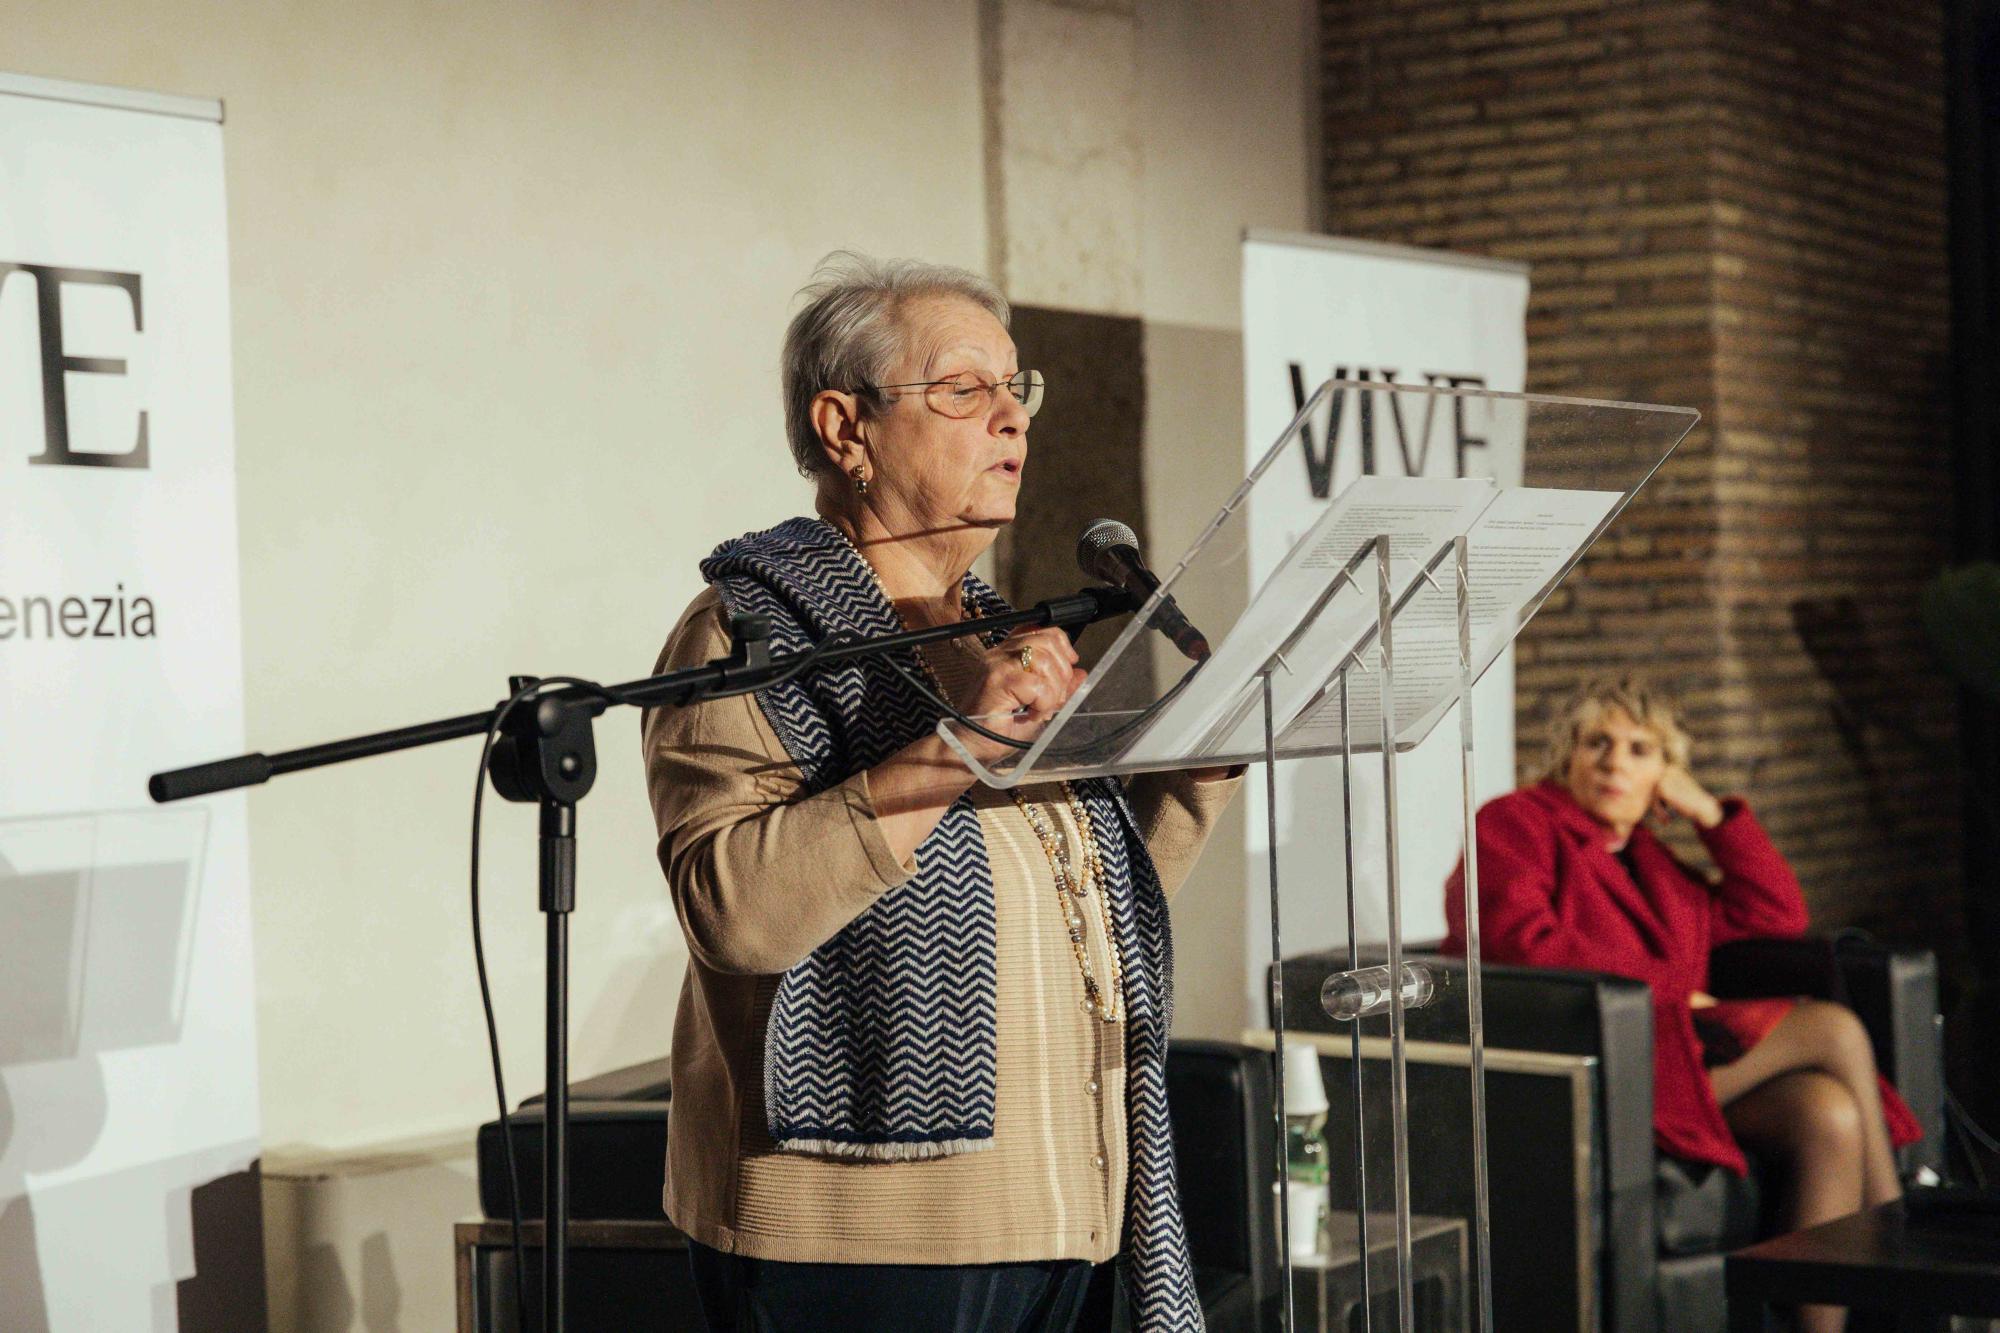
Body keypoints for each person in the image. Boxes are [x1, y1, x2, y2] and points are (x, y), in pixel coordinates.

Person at [641, 252, 1240, 1333]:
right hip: (865, 1244)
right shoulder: (749, 633)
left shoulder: (991, 633)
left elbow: (1078, 924)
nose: (1012, 419)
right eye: (964, 389)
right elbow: (735, 912)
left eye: (1017, 388)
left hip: (1067, 1211)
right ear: (846, 428)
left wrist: (1195, 778)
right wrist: (956, 746)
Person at [1442, 676, 1921, 1333]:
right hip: (1588, 1068)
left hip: (1674, 1068)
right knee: (1831, 1028)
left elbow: (1775, 914)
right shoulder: (1514, 822)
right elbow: (1523, 946)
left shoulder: (1653, 860)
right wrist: (1671, 988)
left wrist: (1711, 816)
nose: (1614, 762)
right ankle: (1901, 1246)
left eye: (1640, 750)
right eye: (1597, 742)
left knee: (1828, 1114)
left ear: (1665, 775)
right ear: (1567, 755)